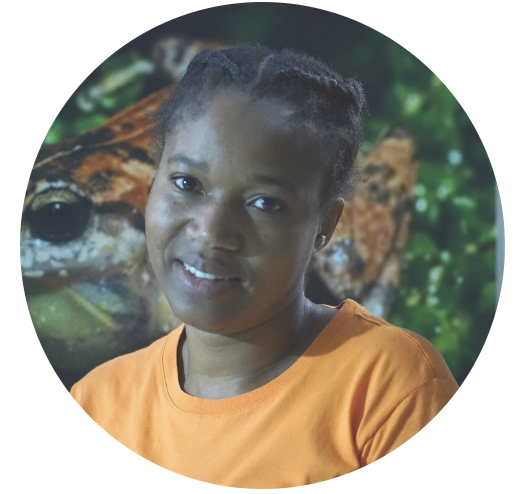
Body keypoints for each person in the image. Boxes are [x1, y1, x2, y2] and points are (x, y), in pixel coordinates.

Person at [71, 44, 458, 488]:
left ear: (325, 225)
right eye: (187, 183)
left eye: (265, 203)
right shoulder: (96, 405)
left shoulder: (389, 388)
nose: (211, 231)